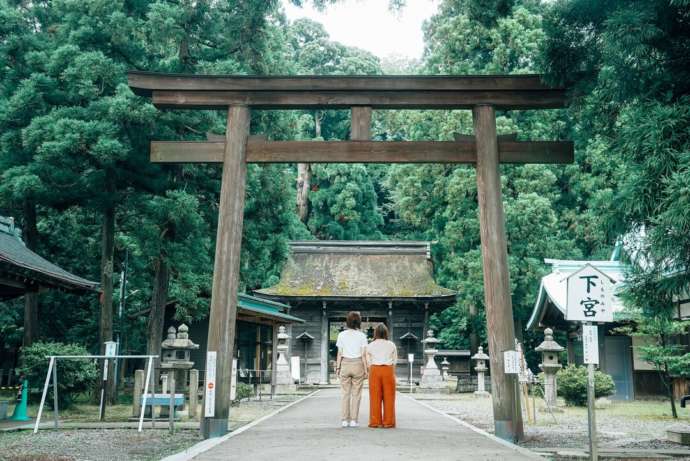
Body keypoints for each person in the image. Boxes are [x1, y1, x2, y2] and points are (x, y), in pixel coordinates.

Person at [335, 311, 368, 428]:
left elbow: (339, 353)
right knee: (356, 394)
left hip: (345, 363)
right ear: (358, 322)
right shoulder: (362, 336)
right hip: (358, 363)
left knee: (345, 394)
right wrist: (366, 369)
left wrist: (338, 367)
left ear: (347, 321)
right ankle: (354, 420)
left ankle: (344, 420)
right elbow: (364, 355)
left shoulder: (341, 335)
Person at [365, 323, 397, 428]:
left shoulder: (370, 345)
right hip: (388, 370)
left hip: (375, 370)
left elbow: (368, 361)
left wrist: (371, 368)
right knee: (389, 397)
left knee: (375, 397)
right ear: (386, 333)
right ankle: (388, 422)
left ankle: (375, 421)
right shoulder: (391, 345)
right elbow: (394, 360)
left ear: (376, 333)